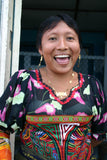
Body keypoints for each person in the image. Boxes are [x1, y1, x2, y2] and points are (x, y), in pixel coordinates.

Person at [0, 13, 107, 160]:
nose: (62, 46)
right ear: (40, 48)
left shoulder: (92, 86)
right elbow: (1, 129)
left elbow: (99, 134)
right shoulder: (24, 81)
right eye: (52, 38)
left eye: (70, 38)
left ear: (79, 46)